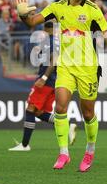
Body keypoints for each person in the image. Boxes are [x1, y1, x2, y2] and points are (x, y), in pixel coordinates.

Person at [14, 0, 107, 172]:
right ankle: (63, 153)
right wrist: (23, 13)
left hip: (88, 69)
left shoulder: (93, 10)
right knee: (60, 108)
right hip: (65, 67)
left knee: (88, 113)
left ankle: (89, 150)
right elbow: (32, 22)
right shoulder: (57, 7)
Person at [9, 22, 77, 151]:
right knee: (39, 112)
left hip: (47, 80)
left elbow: (54, 59)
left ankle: (24, 145)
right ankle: (67, 125)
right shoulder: (58, 41)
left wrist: (44, 77)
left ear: (46, 29)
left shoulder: (49, 41)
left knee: (30, 109)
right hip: (56, 80)